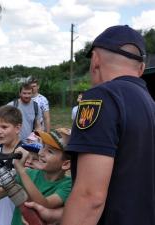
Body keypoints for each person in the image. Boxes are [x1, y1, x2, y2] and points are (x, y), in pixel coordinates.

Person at [61, 25, 155, 225]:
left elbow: (90, 197)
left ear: (95, 60)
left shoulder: (101, 97)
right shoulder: (150, 103)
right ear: (141, 68)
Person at [0, 128, 72, 225]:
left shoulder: (68, 185)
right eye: (43, 146)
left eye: (50, 151)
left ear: (66, 164)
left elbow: (44, 204)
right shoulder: (29, 174)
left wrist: (20, 170)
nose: (41, 153)